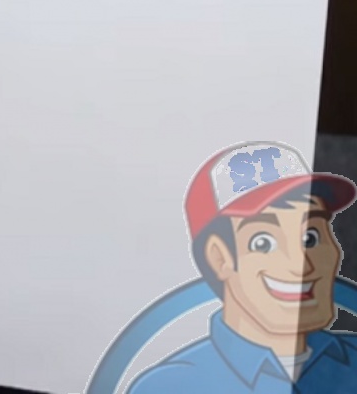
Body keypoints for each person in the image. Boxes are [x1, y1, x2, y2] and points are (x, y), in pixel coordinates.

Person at [128, 142, 357, 393]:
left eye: (309, 238)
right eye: (263, 243)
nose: (301, 266)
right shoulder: (170, 386)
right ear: (219, 258)